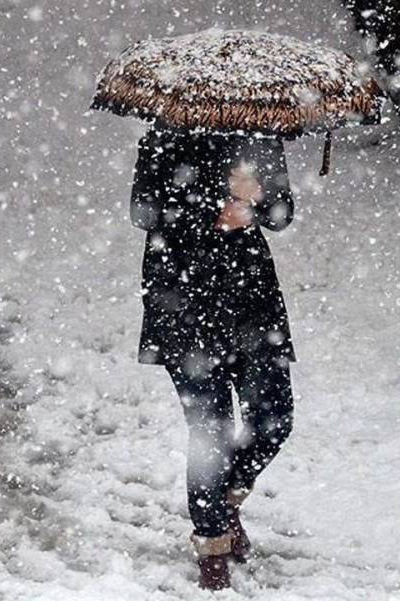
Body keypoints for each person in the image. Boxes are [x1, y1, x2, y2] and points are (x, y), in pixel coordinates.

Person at [129, 124, 296, 590]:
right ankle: (212, 549)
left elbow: (282, 215)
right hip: (183, 300)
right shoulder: (163, 137)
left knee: (275, 417)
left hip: (251, 303)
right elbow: (144, 212)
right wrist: (216, 204)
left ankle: (222, 503)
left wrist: (257, 200)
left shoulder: (260, 136)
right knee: (211, 432)